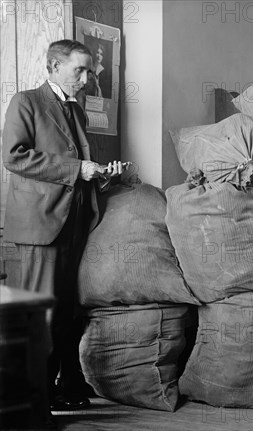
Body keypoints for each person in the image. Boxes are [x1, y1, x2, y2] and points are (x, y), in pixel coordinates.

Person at [2, 39, 129, 413]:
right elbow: (14, 156)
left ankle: (54, 391)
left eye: (90, 70)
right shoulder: (25, 101)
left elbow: (80, 172)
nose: (88, 78)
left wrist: (105, 176)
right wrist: (77, 169)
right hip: (41, 226)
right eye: (80, 70)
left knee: (64, 314)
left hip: (74, 223)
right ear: (54, 66)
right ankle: (30, 408)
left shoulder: (77, 112)